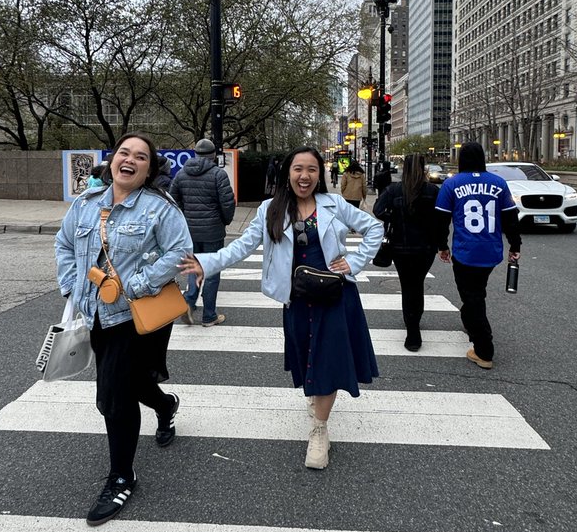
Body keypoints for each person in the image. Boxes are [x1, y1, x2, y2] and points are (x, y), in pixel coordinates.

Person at [180, 146, 382, 470]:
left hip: (335, 295)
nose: (305, 176)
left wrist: (355, 262)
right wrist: (206, 263)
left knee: (328, 360)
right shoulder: (270, 210)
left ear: (320, 174)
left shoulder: (334, 205)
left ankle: (319, 430)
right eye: (298, 169)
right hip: (297, 297)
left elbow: (374, 228)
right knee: (306, 356)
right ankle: (315, 401)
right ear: (288, 173)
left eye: (312, 169)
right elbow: (241, 247)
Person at [55, 133, 192, 526]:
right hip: (94, 314)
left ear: (149, 169)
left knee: (112, 398)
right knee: (131, 384)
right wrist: (70, 284)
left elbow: (180, 253)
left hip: (136, 317)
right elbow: (64, 244)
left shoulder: (159, 209)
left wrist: (136, 284)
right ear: (113, 159)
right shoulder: (85, 205)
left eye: (141, 157)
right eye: (124, 153)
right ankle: (165, 405)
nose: (130, 160)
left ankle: (122, 475)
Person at [433, 141, 522, 369]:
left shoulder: (452, 184)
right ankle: (470, 322)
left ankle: (484, 349)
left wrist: (442, 245)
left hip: (465, 250)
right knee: (476, 292)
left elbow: (441, 220)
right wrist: (515, 245)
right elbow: (511, 218)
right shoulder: (499, 183)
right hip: (491, 250)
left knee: (472, 297)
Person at [373, 152, 440, 351]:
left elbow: (378, 209)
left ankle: (412, 329)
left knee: (407, 285)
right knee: (417, 284)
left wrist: (391, 217)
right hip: (425, 247)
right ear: (424, 168)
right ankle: (414, 323)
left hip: (400, 245)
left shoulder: (395, 190)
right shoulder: (432, 191)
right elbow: (442, 217)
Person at [170, 138, 236, 327]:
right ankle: (209, 315)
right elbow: (227, 203)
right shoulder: (218, 174)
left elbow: (173, 201)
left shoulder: (181, 174)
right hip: (213, 231)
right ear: (213, 155)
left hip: (190, 231)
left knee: (193, 267)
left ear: (196, 154)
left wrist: (184, 219)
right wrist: (225, 221)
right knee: (212, 272)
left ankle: (189, 303)